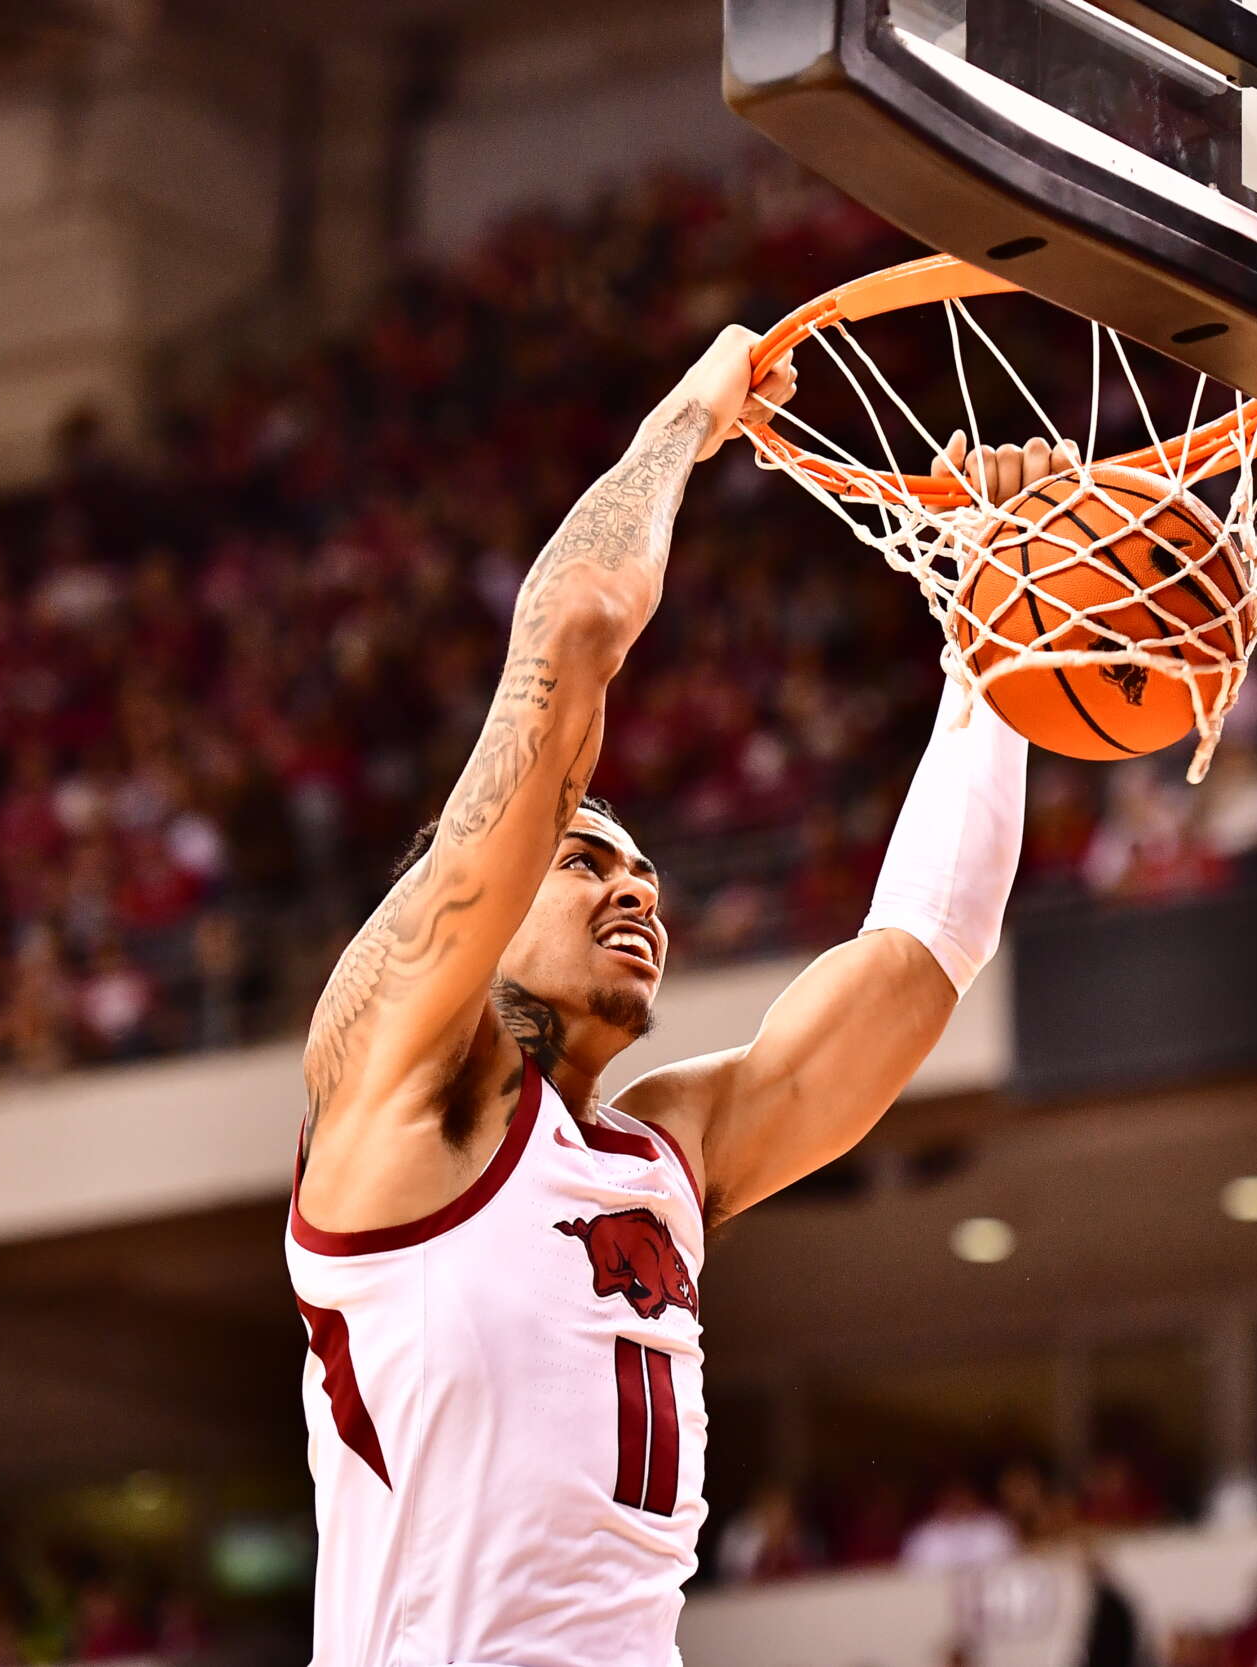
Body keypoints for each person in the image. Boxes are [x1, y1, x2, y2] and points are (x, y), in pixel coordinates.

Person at [286, 331, 1053, 1665]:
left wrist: (996, 647)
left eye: (645, 869)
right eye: (586, 859)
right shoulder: (390, 1091)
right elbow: (573, 633)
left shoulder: (665, 1155)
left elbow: (929, 943)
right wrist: (676, 433)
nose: (636, 887)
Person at [901, 1478, 1021, 1573]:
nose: (958, 1501)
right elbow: (911, 1579)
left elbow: (1010, 1569)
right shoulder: (924, 1536)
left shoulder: (995, 1528)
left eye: (962, 1494)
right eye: (952, 1496)